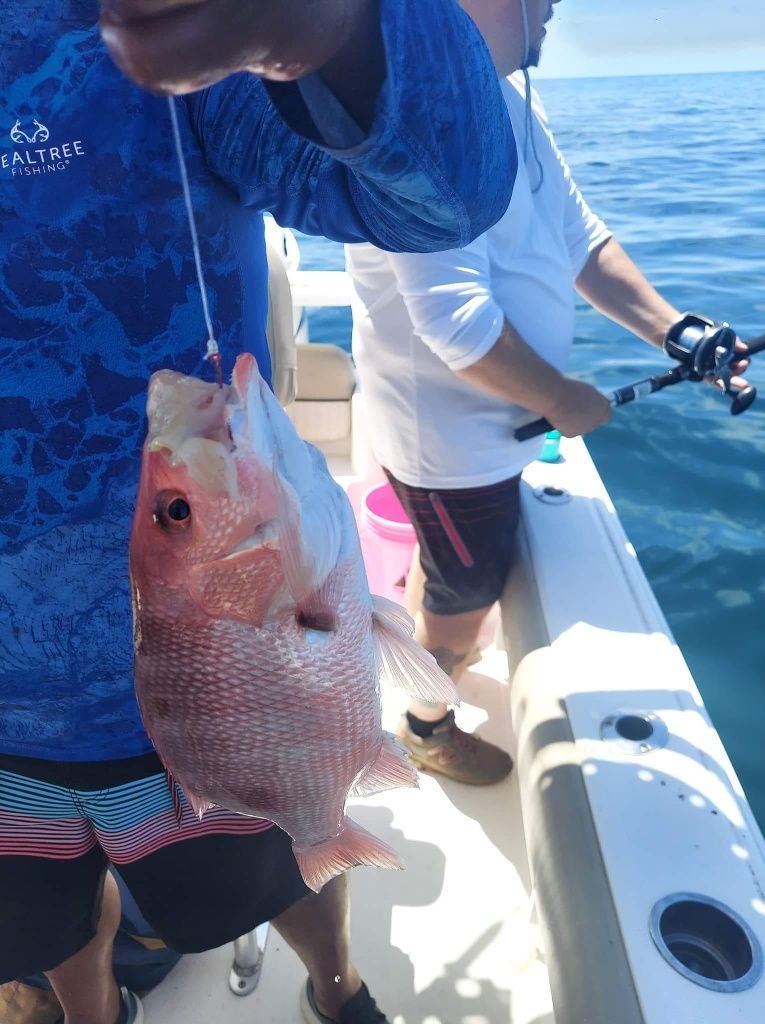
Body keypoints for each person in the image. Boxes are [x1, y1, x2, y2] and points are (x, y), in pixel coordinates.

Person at [0, 3, 520, 1023]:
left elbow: (446, 197)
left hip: (213, 694)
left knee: (284, 873)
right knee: (35, 922)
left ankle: (337, 982)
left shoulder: (135, 25)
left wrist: (330, 25)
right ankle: (79, 1007)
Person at [347, 0, 751, 786]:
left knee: (452, 563)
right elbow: (455, 322)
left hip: (486, 428)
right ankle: (424, 727)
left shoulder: (497, 96)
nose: (558, 4)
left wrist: (679, 336)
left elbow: (580, 239)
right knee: (467, 589)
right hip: (453, 445)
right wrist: (565, 400)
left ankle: (428, 608)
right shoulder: (423, 117)